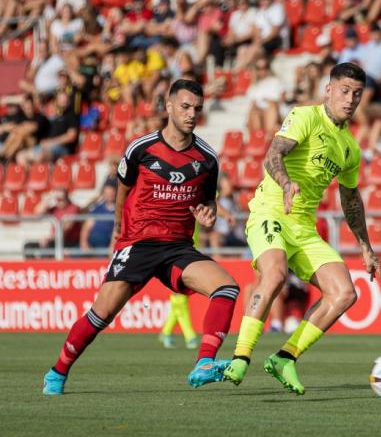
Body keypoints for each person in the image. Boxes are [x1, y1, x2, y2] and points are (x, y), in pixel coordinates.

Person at [42, 79, 240, 395]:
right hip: (139, 243)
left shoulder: (207, 158)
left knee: (227, 288)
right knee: (101, 314)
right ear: (170, 105)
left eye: (198, 109)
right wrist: (120, 228)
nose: (192, 114)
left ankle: (204, 363)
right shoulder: (141, 148)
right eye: (186, 107)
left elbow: (208, 199)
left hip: (178, 248)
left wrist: (209, 212)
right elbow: (123, 189)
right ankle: (57, 372)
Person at [223, 63, 381, 395]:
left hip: (304, 228)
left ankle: (285, 357)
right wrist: (285, 183)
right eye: (344, 90)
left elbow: (351, 199)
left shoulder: (350, 148)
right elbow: (274, 154)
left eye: (357, 93)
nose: (350, 99)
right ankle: (240, 355)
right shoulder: (305, 116)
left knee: (344, 293)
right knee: (275, 274)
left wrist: (366, 247)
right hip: (271, 211)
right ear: (328, 90)